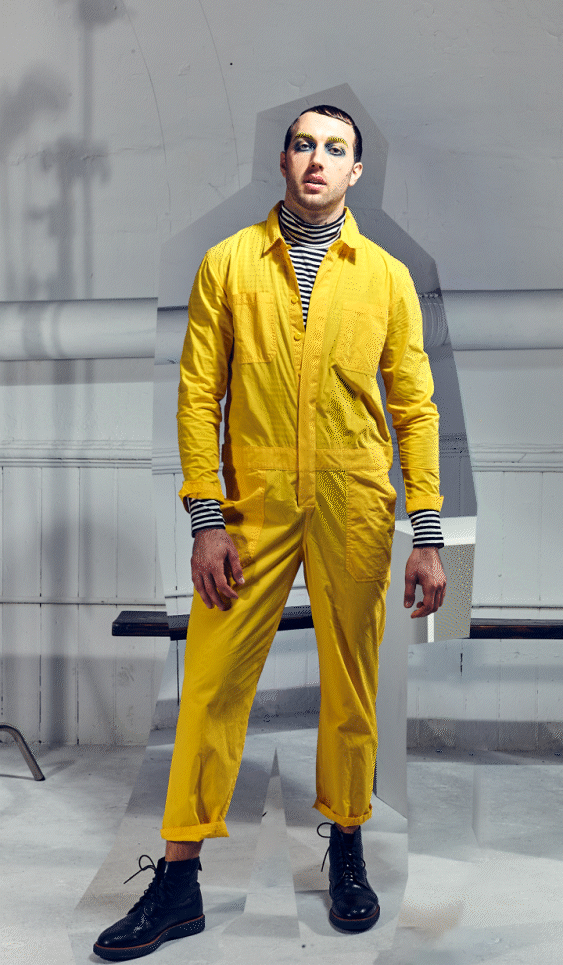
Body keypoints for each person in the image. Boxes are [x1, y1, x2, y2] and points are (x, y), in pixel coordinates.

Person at [94, 105, 447, 962]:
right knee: (211, 688)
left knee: (351, 689)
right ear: (281, 160)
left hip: (355, 503)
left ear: (356, 172)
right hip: (249, 509)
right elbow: (195, 395)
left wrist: (426, 534)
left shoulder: (386, 276)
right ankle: (178, 882)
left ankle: (348, 849)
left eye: (335, 149)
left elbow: (413, 405)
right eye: (303, 145)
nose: (317, 160)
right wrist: (206, 516)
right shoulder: (228, 266)